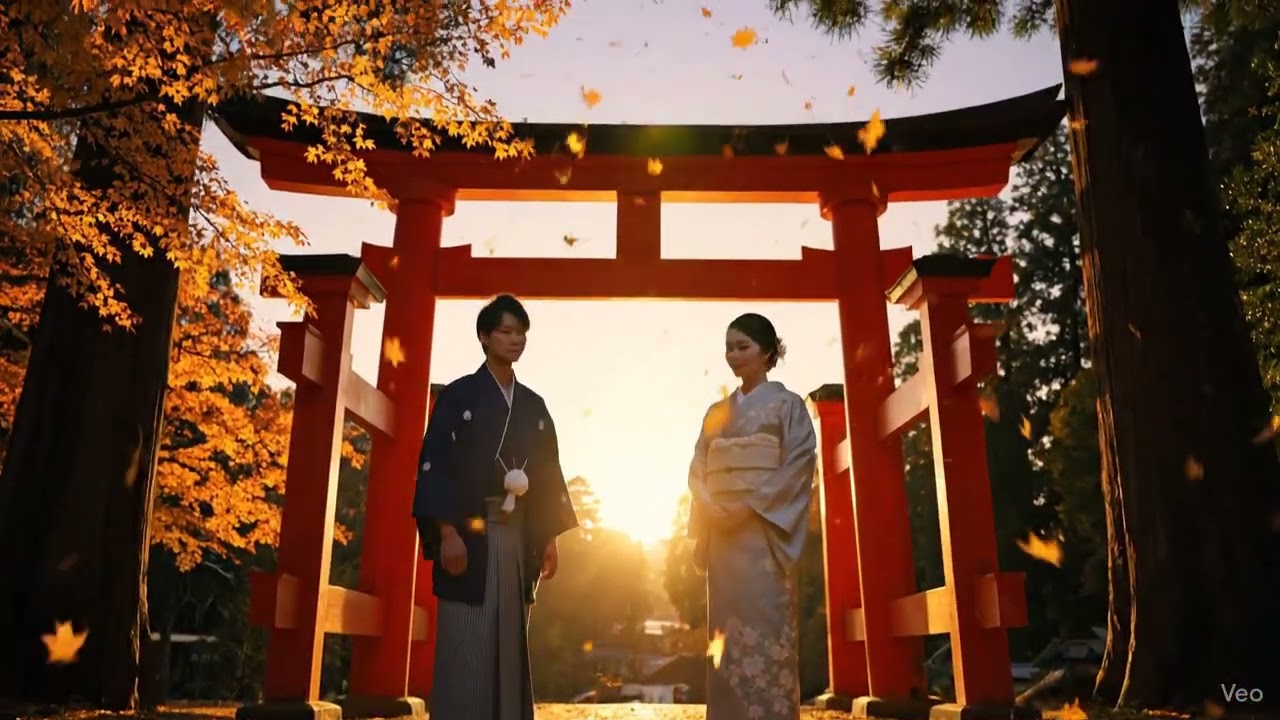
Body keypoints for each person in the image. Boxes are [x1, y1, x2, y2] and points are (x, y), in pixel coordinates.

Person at [413, 294, 578, 720]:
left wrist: (550, 537)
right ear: (484, 337)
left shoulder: (533, 407)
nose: (516, 339)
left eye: (521, 332)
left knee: (510, 641)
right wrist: (447, 532)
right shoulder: (459, 396)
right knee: (467, 640)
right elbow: (437, 466)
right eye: (506, 331)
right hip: (470, 536)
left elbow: (547, 472)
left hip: (518, 536)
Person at [687, 312, 818, 720]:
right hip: (723, 538)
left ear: (767, 352)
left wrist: (748, 505)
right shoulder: (716, 412)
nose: (733, 355)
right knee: (724, 640)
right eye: (729, 347)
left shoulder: (788, 406)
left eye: (742, 346)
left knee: (768, 629)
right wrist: (710, 505)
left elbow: (798, 465)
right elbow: (697, 467)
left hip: (763, 534)